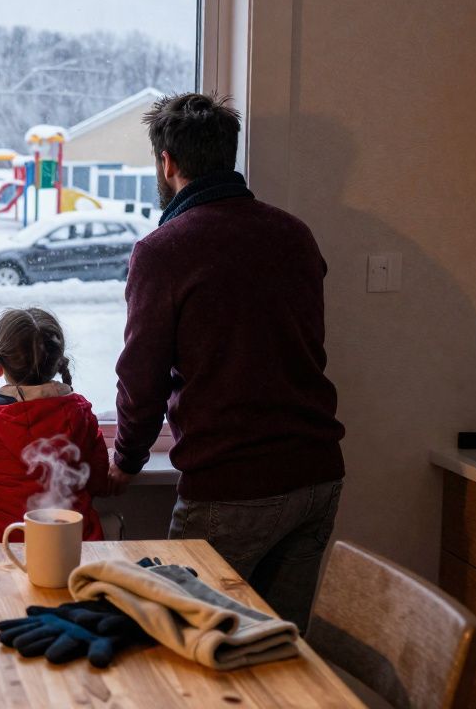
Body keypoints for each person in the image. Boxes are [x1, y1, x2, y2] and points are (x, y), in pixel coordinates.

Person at [109, 93, 346, 630]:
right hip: (317, 476)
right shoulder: (294, 234)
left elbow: (140, 374)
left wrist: (126, 458)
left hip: (233, 486)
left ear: (167, 162)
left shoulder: (164, 250)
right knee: (277, 653)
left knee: (187, 639)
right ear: (227, 155)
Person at [0, 308, 110, 544]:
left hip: (0, 551)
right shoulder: (80, 416)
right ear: (58, 364)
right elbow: (97, 479)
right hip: (72, 550)